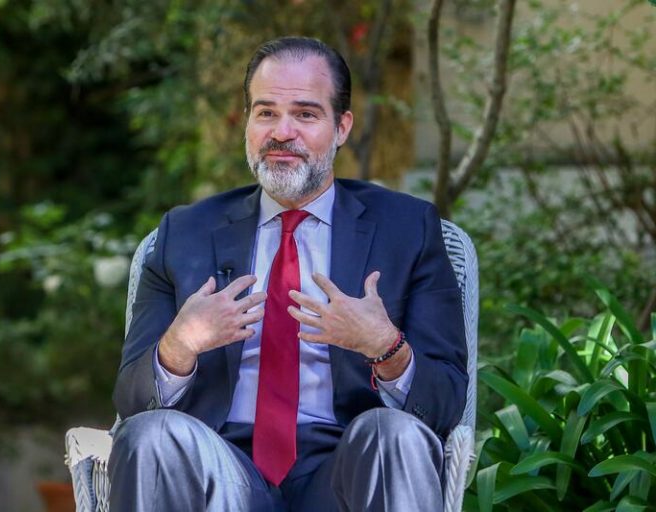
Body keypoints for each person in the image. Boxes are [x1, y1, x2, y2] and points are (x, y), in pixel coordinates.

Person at [109, 36, 467, 512]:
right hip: (219, 469)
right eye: (266, 113)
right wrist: (179, 347)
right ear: (247, 124)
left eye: (305, 114)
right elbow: (132, 403)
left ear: (341, 127)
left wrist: (386, 347)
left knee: (396, 435)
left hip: (348, 468)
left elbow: (445, 402)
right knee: (150, 435)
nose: (282, 132)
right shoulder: (185, 233)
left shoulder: (407, 229)